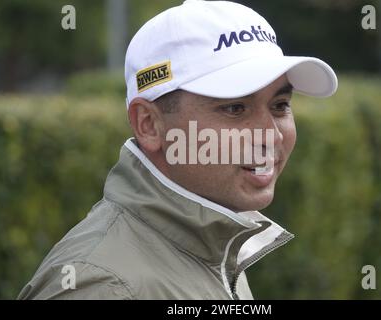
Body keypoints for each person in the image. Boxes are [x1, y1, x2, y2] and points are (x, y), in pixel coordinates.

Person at [18, 0, 337, 300]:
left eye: (280, 105)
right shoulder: (102, 286)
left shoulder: (218, 243)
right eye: (236, 108)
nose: (270, 135)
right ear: (149, 125)